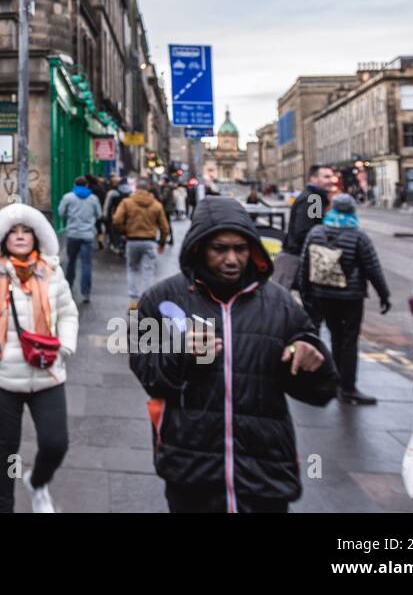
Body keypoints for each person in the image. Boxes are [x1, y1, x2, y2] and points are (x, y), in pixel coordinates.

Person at [129, 196, 339, 512]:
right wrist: (182, 356)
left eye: (240, 249)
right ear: (199, 248)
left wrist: (313, 360)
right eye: (220, 249)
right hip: (192, 470)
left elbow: (321, 391)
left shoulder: (279, 304)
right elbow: (150, 376)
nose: (232, 259)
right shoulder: (161, 299)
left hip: (265, 471)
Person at [0, 203, 79, 513]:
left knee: (56, 443)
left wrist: (65, 345)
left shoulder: (51, 272)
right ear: (2, 239)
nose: (21, 236)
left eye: (27, 231)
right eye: (14, 232)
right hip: (3, 377)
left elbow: (67, 312)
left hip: (47, 372)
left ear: (37, 237)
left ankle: (37, 482)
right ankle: (5, 504)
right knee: (6, 450)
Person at [298, 193, 391, 404]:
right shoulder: (358, 236)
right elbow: (373, 268)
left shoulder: (316, 231)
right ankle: (347, 388)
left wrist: (306, 292)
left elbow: (305, 264)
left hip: (323, 294)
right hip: (351, 297)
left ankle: (335, 380)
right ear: (352, 211)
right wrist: (384, 295)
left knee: (335, 336)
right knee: (349, 340)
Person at [112, 178, 172, 310]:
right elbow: (165, 228)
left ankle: (134, 300)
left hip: (132, 240)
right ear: (149, 188)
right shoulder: (156, 205)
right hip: (149, 241)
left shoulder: (127, 202)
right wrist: (161, 243)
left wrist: (125, 230)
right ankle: (146, 300)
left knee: (133, 269)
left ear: (136, 187)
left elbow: (117, 219)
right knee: (148, 271)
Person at [276, 163, 337, 290]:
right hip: (298, 257)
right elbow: (309, 230)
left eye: (331, 176)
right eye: (326, 177)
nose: (330, 180)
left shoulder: (314, 196)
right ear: (314, 179)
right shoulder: (314, 198)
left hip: (298, 255)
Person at [57, 176, 102, 303]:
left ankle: (69, 287)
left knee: (71, 262)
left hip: (73, 234)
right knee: (86, 264)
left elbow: (61, 212)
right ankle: (86, 292)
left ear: (74, 184)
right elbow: (99, 214)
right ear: (87, 185)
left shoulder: (68, 197)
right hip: (87, 235)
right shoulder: (93, 198)